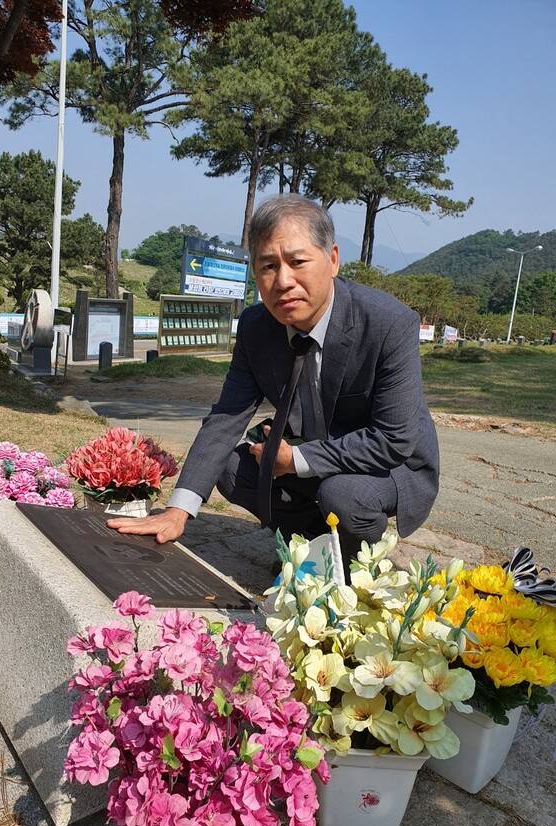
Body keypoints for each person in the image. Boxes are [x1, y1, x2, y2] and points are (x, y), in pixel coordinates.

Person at [108, 194, 439, 569]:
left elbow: (393, 439)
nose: (283, 281)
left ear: (332, 259)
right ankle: (309, 549)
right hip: (315, 453)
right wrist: (178, 510)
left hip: (390, 467)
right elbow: (226, 418)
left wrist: (295, 458)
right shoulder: (255, 328)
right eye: (268, 266)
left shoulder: (388, 324)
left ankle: (353, 565)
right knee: (234, 470)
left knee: (343, 496)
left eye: (297, 262)